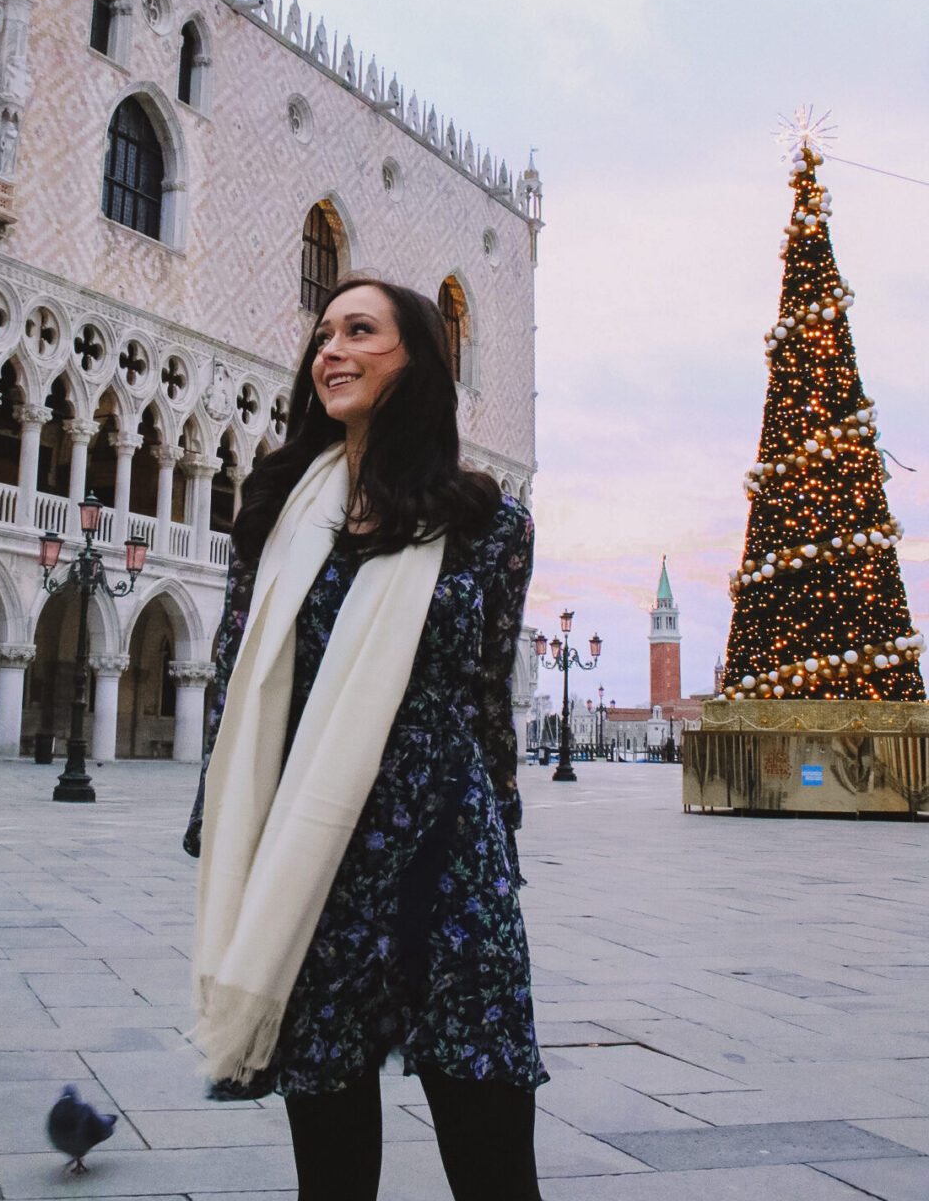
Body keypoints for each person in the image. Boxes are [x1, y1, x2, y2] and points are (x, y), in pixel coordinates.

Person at [185, 277, 546, 1201]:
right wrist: (221, 829)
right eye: (323, 336)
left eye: (359, 332)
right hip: (321, 855)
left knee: (492, 1150)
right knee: (333, 1169)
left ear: (415, 361)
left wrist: (500, 834)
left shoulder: (488, 524)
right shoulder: (276, 513)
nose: (330, 352)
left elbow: (483, 697)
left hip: (448, 853)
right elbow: (237, 678)